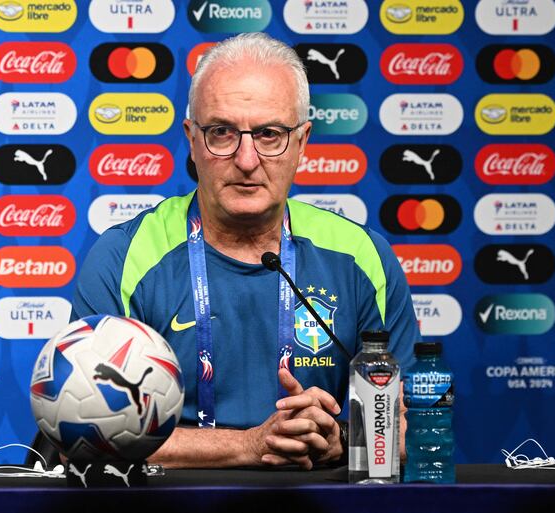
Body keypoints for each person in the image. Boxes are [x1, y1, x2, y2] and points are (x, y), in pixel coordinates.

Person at [71, 32, 418, 469]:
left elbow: (416, 426)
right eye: (221, 132)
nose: (247, 159)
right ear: (192, 141)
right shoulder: (125, 256)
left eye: (270, 134)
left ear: (303, 142)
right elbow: (87, 431)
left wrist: (346, 439)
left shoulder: (362, 256)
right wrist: (250, 446)